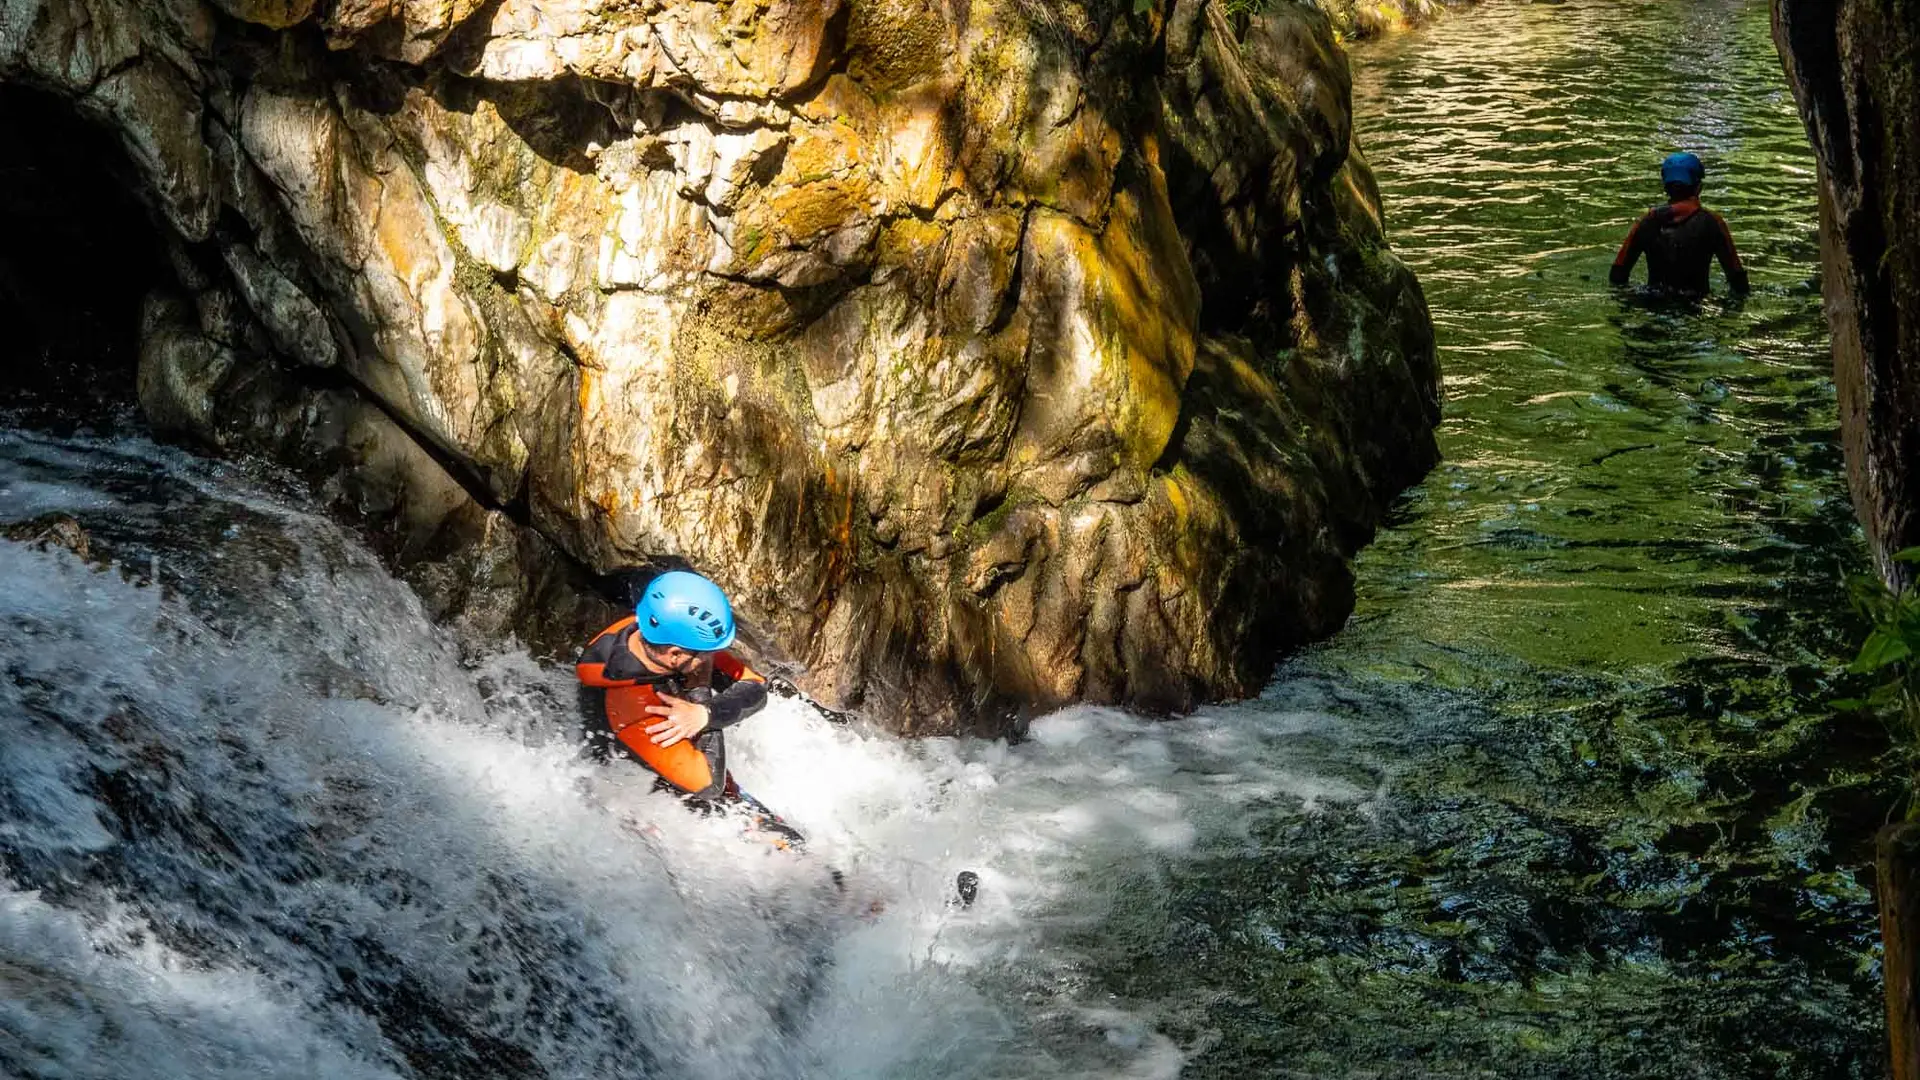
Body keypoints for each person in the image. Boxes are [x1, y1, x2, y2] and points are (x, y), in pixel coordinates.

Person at [576, 569, 805, 847]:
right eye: (706, 654)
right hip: (641, 794)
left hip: (671, 769)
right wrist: (701, 697)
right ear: (675, 655)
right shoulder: (629, 705)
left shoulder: (649, 633)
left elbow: (755, 687)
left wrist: (705, 713)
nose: (712, 658)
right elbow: (708, 785)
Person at [1609, 152, 1750, 295]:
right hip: (1697, 308)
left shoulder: (1647, 221)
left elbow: (1617, 274)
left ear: (1665, 188)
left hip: (1653, 305)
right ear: (1699, 187)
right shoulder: (1712, 222)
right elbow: (1737, 278)